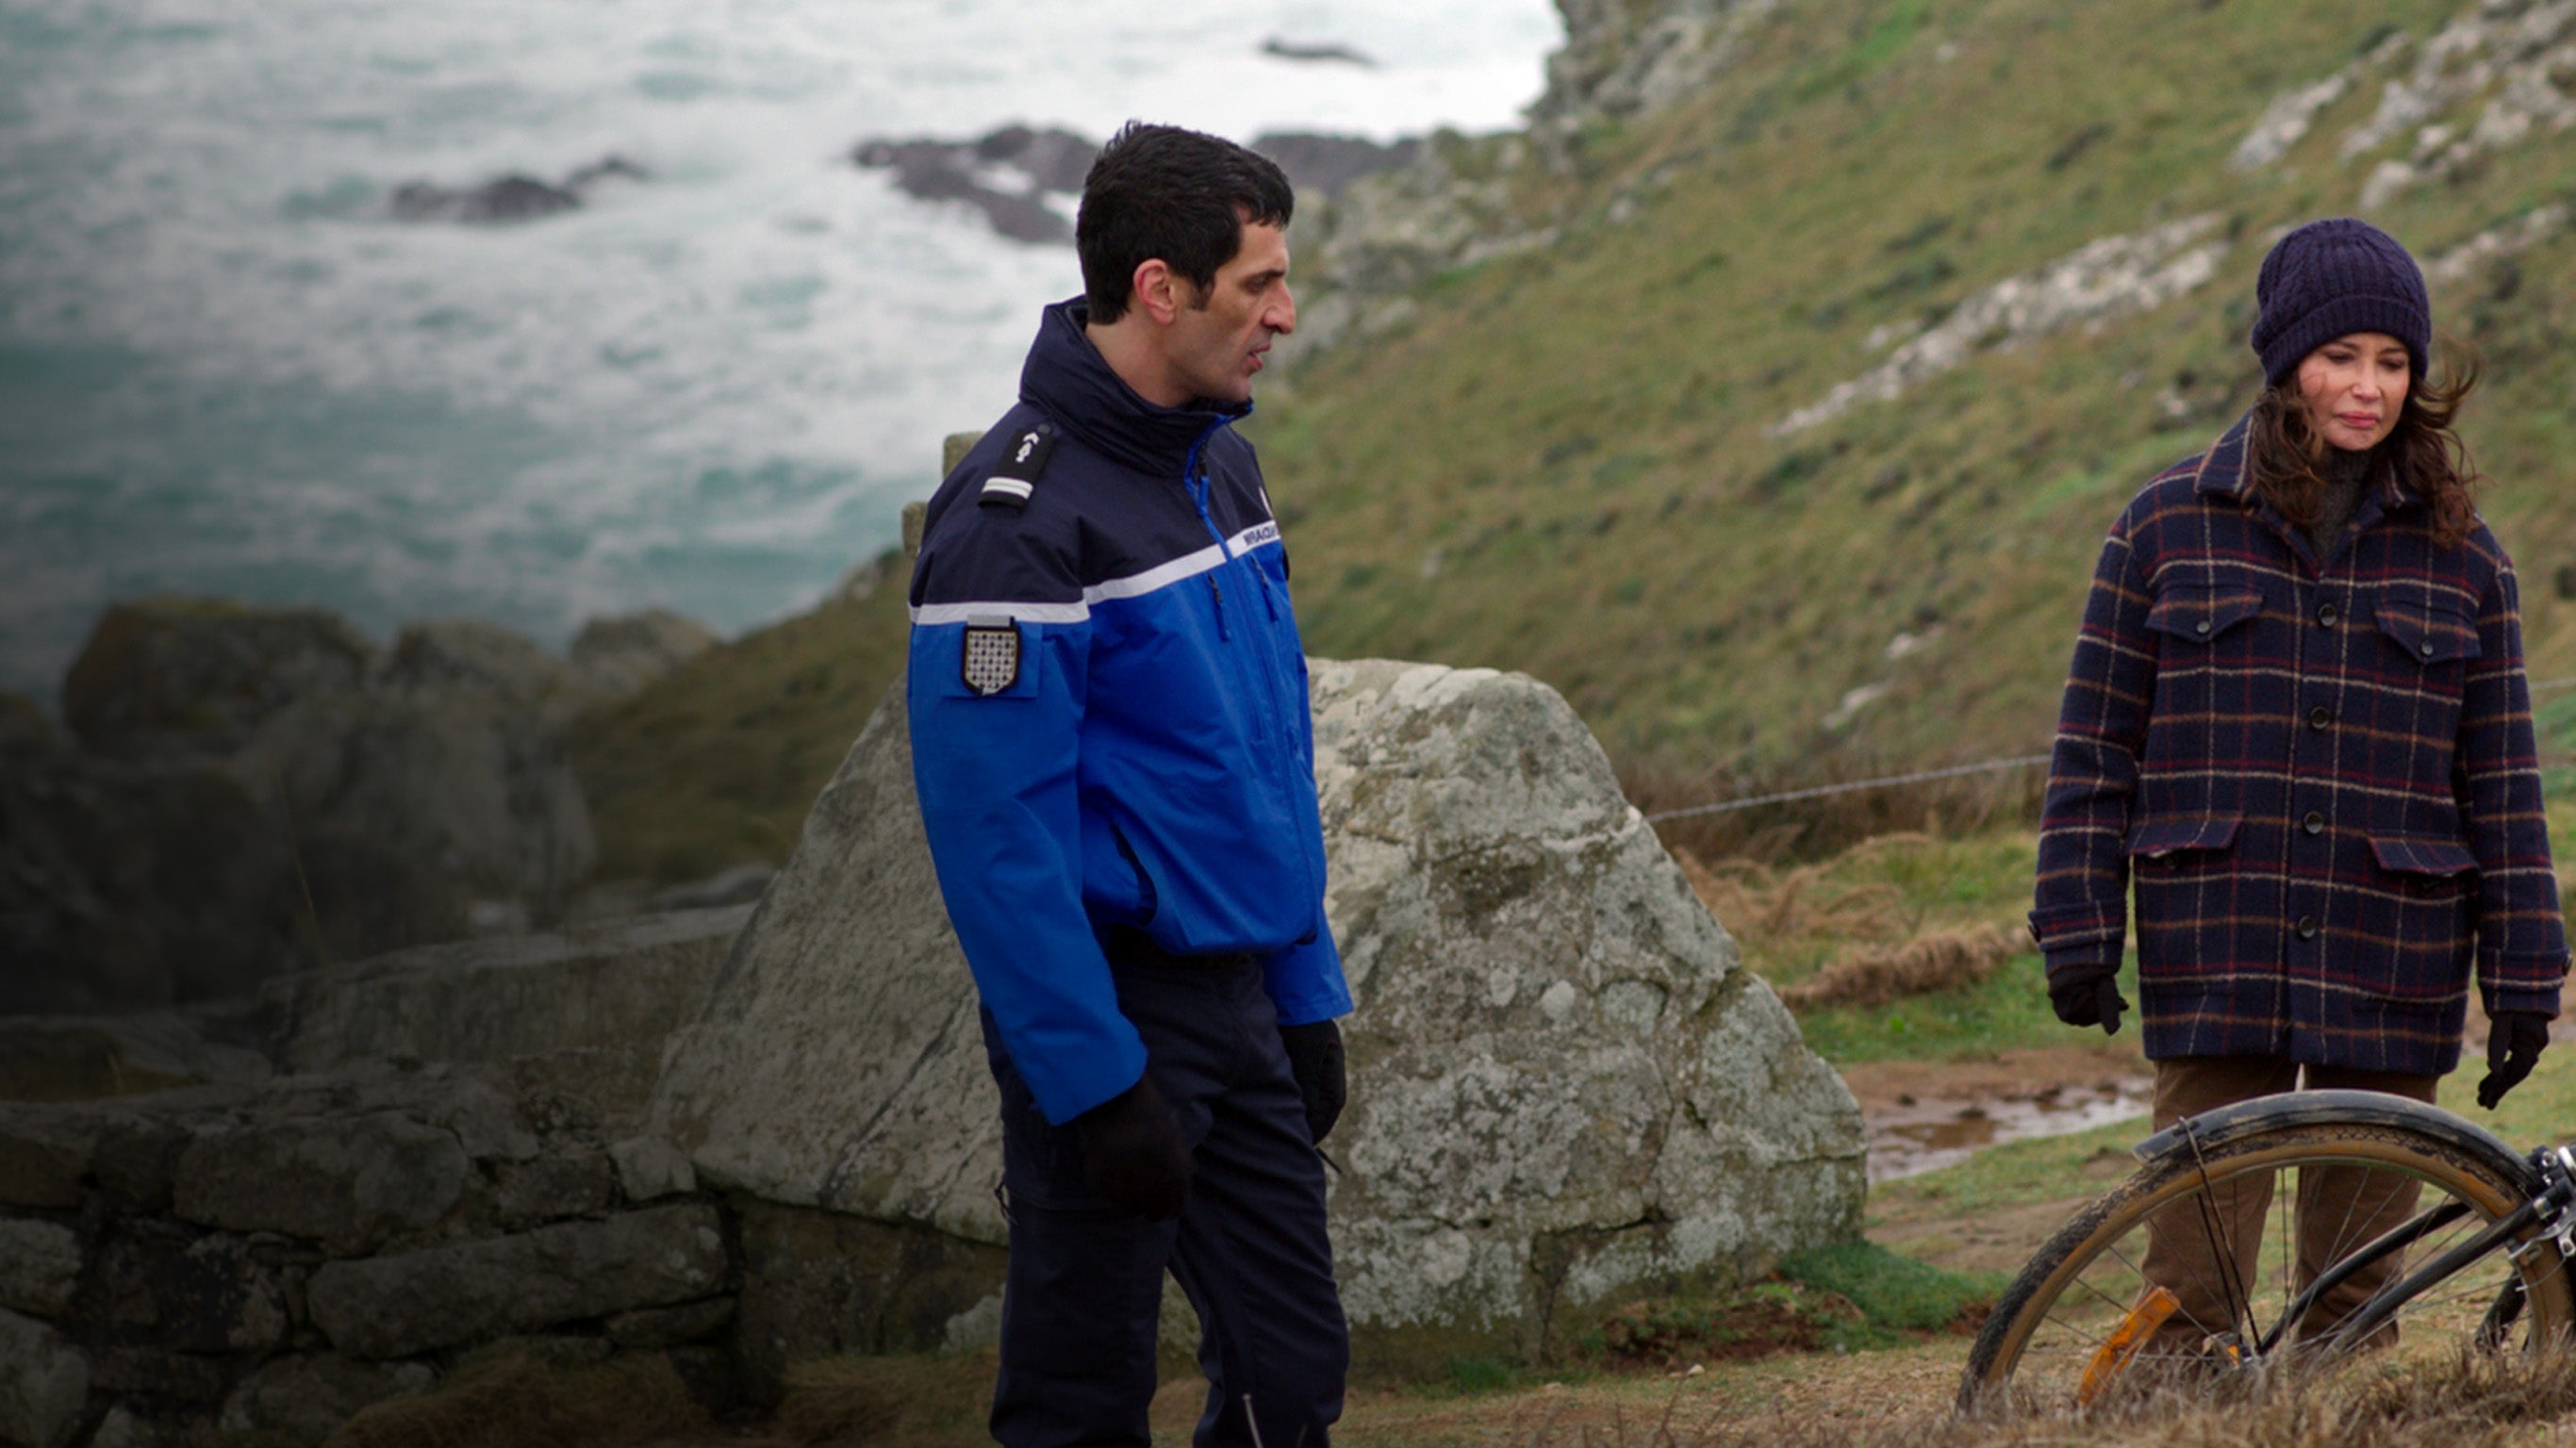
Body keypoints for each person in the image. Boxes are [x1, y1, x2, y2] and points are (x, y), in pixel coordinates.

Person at [2030, 216, 2569, 1352]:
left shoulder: (2464, 557)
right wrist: (2073, 926)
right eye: (2340, 358)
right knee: (2186, 1292)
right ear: (2285, 362)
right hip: (2214, 936)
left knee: (2354, 1306)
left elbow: (2503, 783)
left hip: (2394, 953)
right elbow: (2092, 751)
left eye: (2391, 361)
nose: (2366, 389)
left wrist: (2525, 971)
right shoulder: (2163, 526)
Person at [905, 122, 1351, 1448]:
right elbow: (998, 843)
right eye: (1258, 283)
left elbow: (1268, 756)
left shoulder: (1222, 459)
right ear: (1162, 288)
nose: (1285, 311)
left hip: (1246, 998)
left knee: (1292, 1372)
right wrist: (1097, 1083)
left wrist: (1307, 992)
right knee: (1081, 1400)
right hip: (1110, 1016)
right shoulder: (1012, 525)